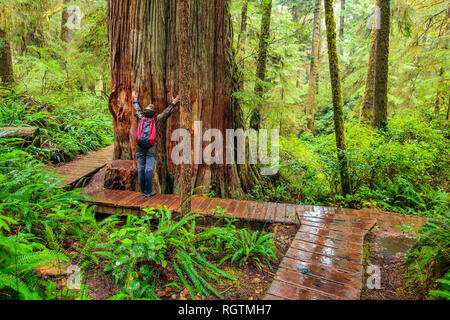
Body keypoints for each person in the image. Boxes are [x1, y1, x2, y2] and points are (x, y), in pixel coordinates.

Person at [132, 91, 180, 197]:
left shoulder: (140, 118)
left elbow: (136, 110)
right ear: (154, 113)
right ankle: (148, 192)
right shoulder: (157, 120)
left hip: (139, 148)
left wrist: (135, 98)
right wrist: (173, 102)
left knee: (141, 169)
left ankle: (143, 190)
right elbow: (166, 113)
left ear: (144, 112)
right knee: (148, 170)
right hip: (151, 149)